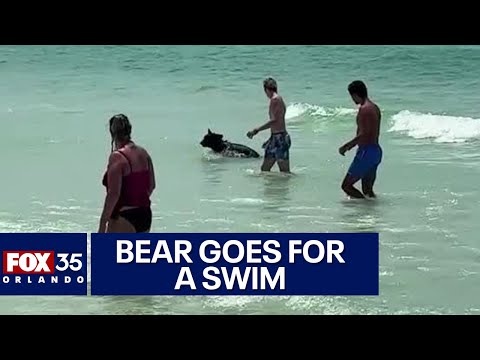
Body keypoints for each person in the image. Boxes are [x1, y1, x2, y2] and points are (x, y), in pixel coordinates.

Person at [98, 114, 156, 233]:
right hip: (145, 215)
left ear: (112, 133)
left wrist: (103, 223)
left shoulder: (117, 157)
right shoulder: (144, 154)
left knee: (108, 251)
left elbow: (113, 194)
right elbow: (151, 186)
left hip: (125, 216)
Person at [339, 80, 382, 199]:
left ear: (355, 94)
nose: (352, 99)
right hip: (376, 151)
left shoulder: (364, 109)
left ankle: (364, 208)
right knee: (368, 190)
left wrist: (347, 146)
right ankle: (372, 213)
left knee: (346, 186)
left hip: (366, 152)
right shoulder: (374, 107)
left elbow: (364, 134)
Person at [247, 77, 291, 173]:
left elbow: (274, 120)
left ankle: (285, 188)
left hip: (280, 139)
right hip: (275, 138)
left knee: (284, 172)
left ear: (266, 89)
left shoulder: (274, 100)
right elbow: (276, 121)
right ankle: (271, 187)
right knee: (265, 169)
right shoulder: (279, 99)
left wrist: (256, 130)